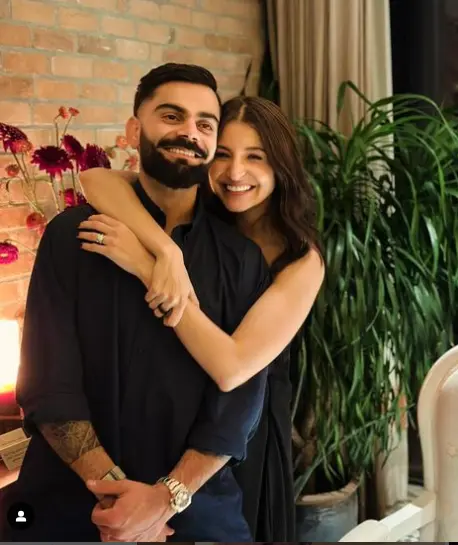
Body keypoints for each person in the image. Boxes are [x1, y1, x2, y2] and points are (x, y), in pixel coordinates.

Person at [6, 64, 272, 543]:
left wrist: (163, 500)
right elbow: (50, 386)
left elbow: (237, 406)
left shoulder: (243, 260)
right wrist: (118, 500)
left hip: (195, 511)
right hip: (70, 505)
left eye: (204, 124)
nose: (189, 133)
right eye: (171, 116)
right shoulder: (71, 236)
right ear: (134, 129)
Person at [78, 95, 325, 541]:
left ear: (282, 165)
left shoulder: (300, 259)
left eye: (256, 158)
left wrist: (146, 265)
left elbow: (232, 368)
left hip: (244, 426)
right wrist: (168, 250)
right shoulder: (202, 216)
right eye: (224, 155)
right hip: (174, 404)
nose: (235, 174)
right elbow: (96, 180)